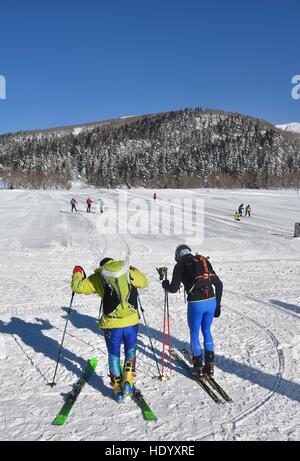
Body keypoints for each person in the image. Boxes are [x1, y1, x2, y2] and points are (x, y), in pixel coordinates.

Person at [71, 258, 149, 402]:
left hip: (112, 325)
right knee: (130, 350)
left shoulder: (99, 277)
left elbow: (78, 287)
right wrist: (134, 270)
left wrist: (77, 272)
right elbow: (144, 281)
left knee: (114, 355)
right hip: (131, 322)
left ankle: (118, 389)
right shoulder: (127, 272)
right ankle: (128, 379)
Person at [160, 245, 223, 378]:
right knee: (206, 330)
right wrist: (217, 305)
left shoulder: (180, 265)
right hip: (211, 300)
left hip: (196, 303)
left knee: (194, 333)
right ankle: (210, 367)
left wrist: (165, 284)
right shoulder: (202, 261)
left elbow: (173, 288)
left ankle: (198, 368)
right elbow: (219, 284)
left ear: (178, 256)